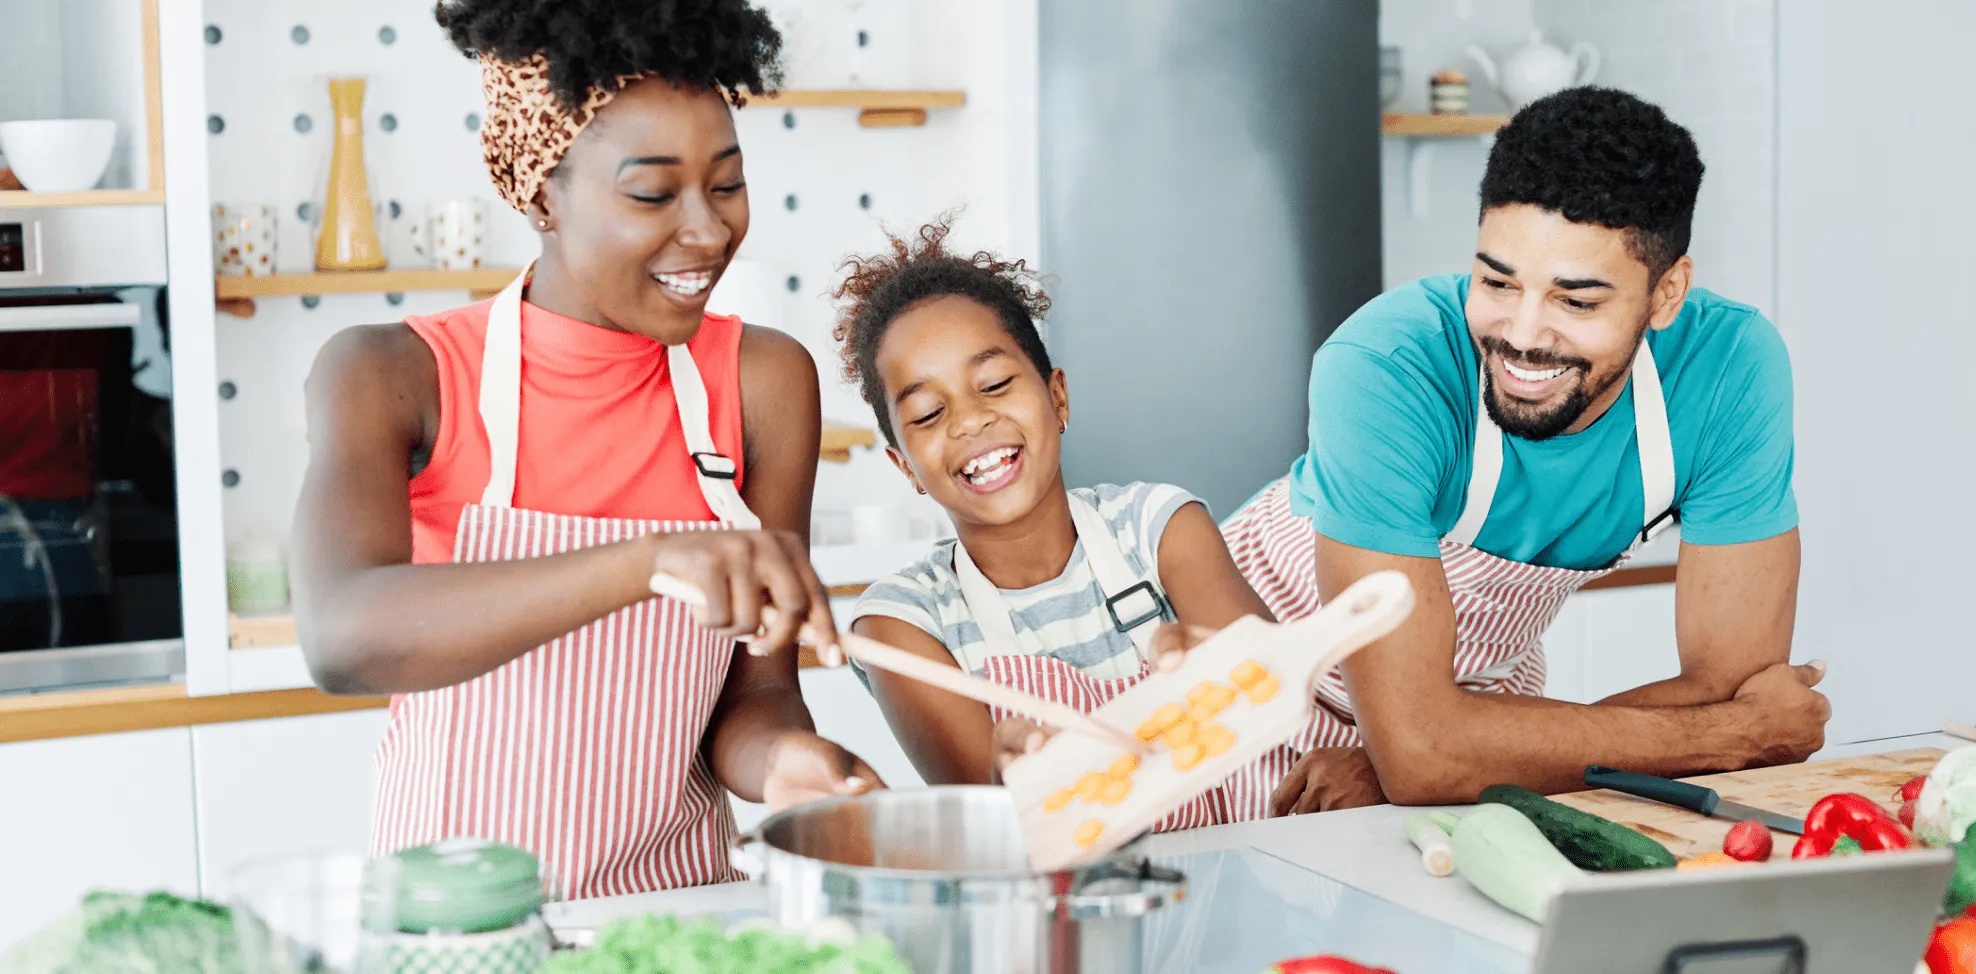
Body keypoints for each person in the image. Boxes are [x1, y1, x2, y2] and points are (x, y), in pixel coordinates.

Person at [291, 0, 882, 900]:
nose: (709, 231)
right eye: (652, 193)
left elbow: (754, 698)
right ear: (540, 194)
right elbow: (341, 636)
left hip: (681, 916)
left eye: (726, 184)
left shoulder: (761, 381)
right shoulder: (394, 374)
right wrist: (652, 560)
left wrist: (789, 765)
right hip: (464, 936)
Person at [1221, 86, 1832, 808]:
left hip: (1480, 705)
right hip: (1236, 695)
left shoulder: (1729, 368)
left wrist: (1449, 755)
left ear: (1667, 295)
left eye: (1577, 301)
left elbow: (1731, 687)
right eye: (1496, 281)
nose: (1523, 334)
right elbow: (1742, 723)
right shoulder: (1386, 365)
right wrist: (1420, 754)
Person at [834, 219, 1324, 826]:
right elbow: (997, 821)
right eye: (929, 413)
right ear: (903, 466)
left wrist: (1221, 666)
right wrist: (1009, 775)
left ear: (1057, 397)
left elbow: (1275, 699)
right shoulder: (901, 625)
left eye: (993, 384)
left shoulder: (1160, 529)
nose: (969, 421)